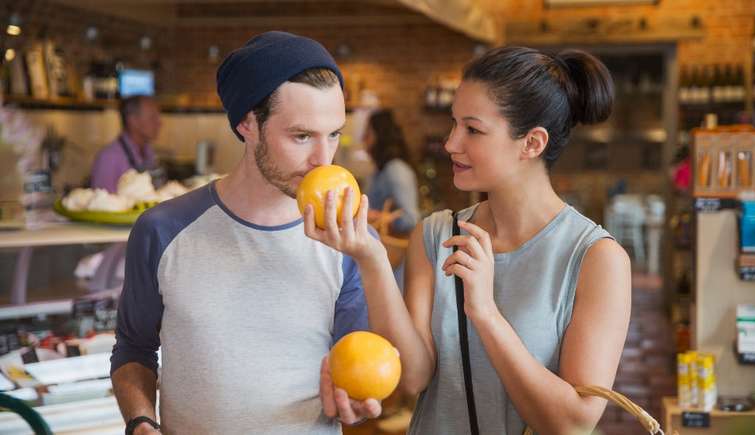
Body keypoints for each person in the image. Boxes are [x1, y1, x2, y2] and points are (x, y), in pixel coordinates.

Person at [314, 46, 632, 434]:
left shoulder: (596, 258)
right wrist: (371, 259)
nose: (450, 143)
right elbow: (414, 378)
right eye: (453, 124)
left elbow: (571, 423)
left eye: (473, 129)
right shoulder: (435, 235)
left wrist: (484, 311)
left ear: (532, 143)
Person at [110, 31, 390, 435]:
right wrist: (139, 420)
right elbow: (134, 350)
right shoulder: (162, 230)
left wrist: (358, 403)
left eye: (333, 134)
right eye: (301, 136)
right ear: (247, 123)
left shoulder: (350, 242)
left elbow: (359, 371)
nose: (323, 159)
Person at [363, 109, 420, 237]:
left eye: (368, 133)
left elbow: (411, 219)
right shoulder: (382, 168)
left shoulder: (396, 170)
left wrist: (378, 217)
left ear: (380, 136)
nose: (363, 138)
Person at [91, 95, 163, 192]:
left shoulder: (149, 152)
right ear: (133, 121)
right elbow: (101, 204)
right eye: (152, 117)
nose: (159, 122)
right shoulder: (109, 157)